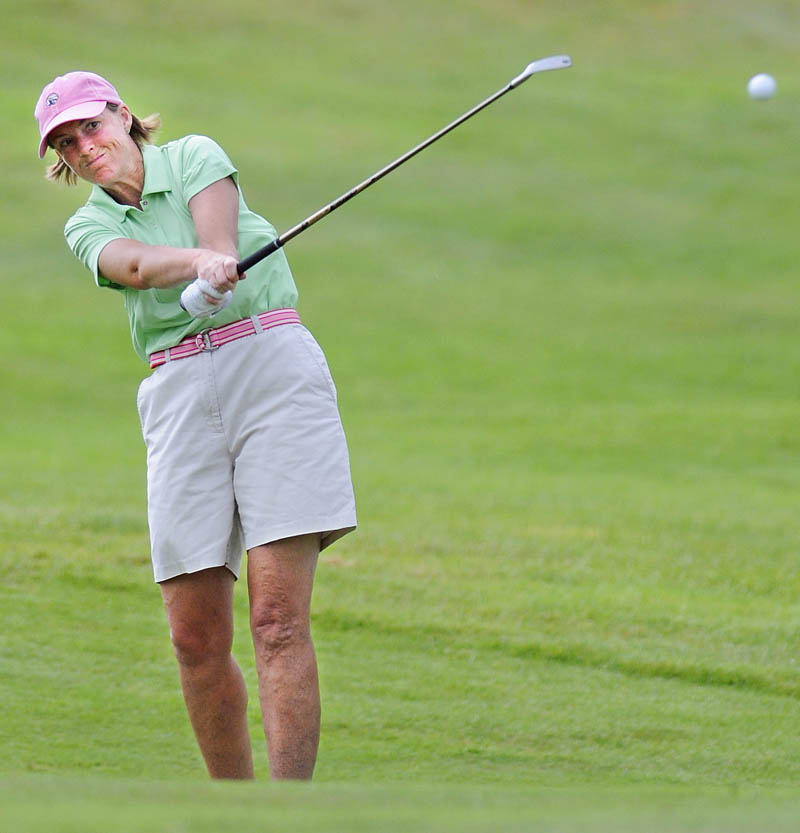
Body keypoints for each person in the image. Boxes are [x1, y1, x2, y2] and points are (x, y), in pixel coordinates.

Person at [35, 71, 357, 780]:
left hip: (270, 370)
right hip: (178, 390)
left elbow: (219, 239)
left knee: (277, 619)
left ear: (122, 115)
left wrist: (213, 265)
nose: (85, 147)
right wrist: (194, 269)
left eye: (91, 126)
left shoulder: (193, 157)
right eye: (66, 143)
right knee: (193, 637)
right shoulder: (87, 224)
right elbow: (134, 264)